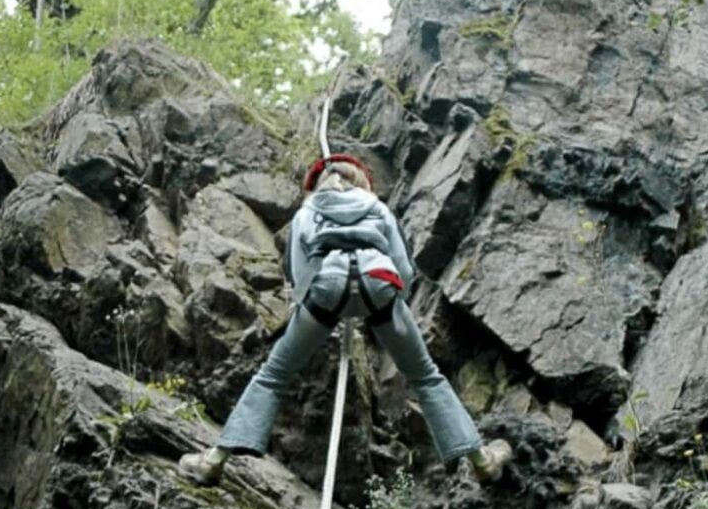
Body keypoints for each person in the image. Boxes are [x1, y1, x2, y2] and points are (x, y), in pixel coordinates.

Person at [178, 154, 512, 486]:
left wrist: (306, 305)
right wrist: (393, 304)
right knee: (425, 376)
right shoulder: (377, 207)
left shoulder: (308, 211)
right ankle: (483, 462)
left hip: (327, 287)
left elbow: (297, 270)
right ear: (360, 180)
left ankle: (212, 461)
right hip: (381, 285)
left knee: (273, 375)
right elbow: (404, 268)